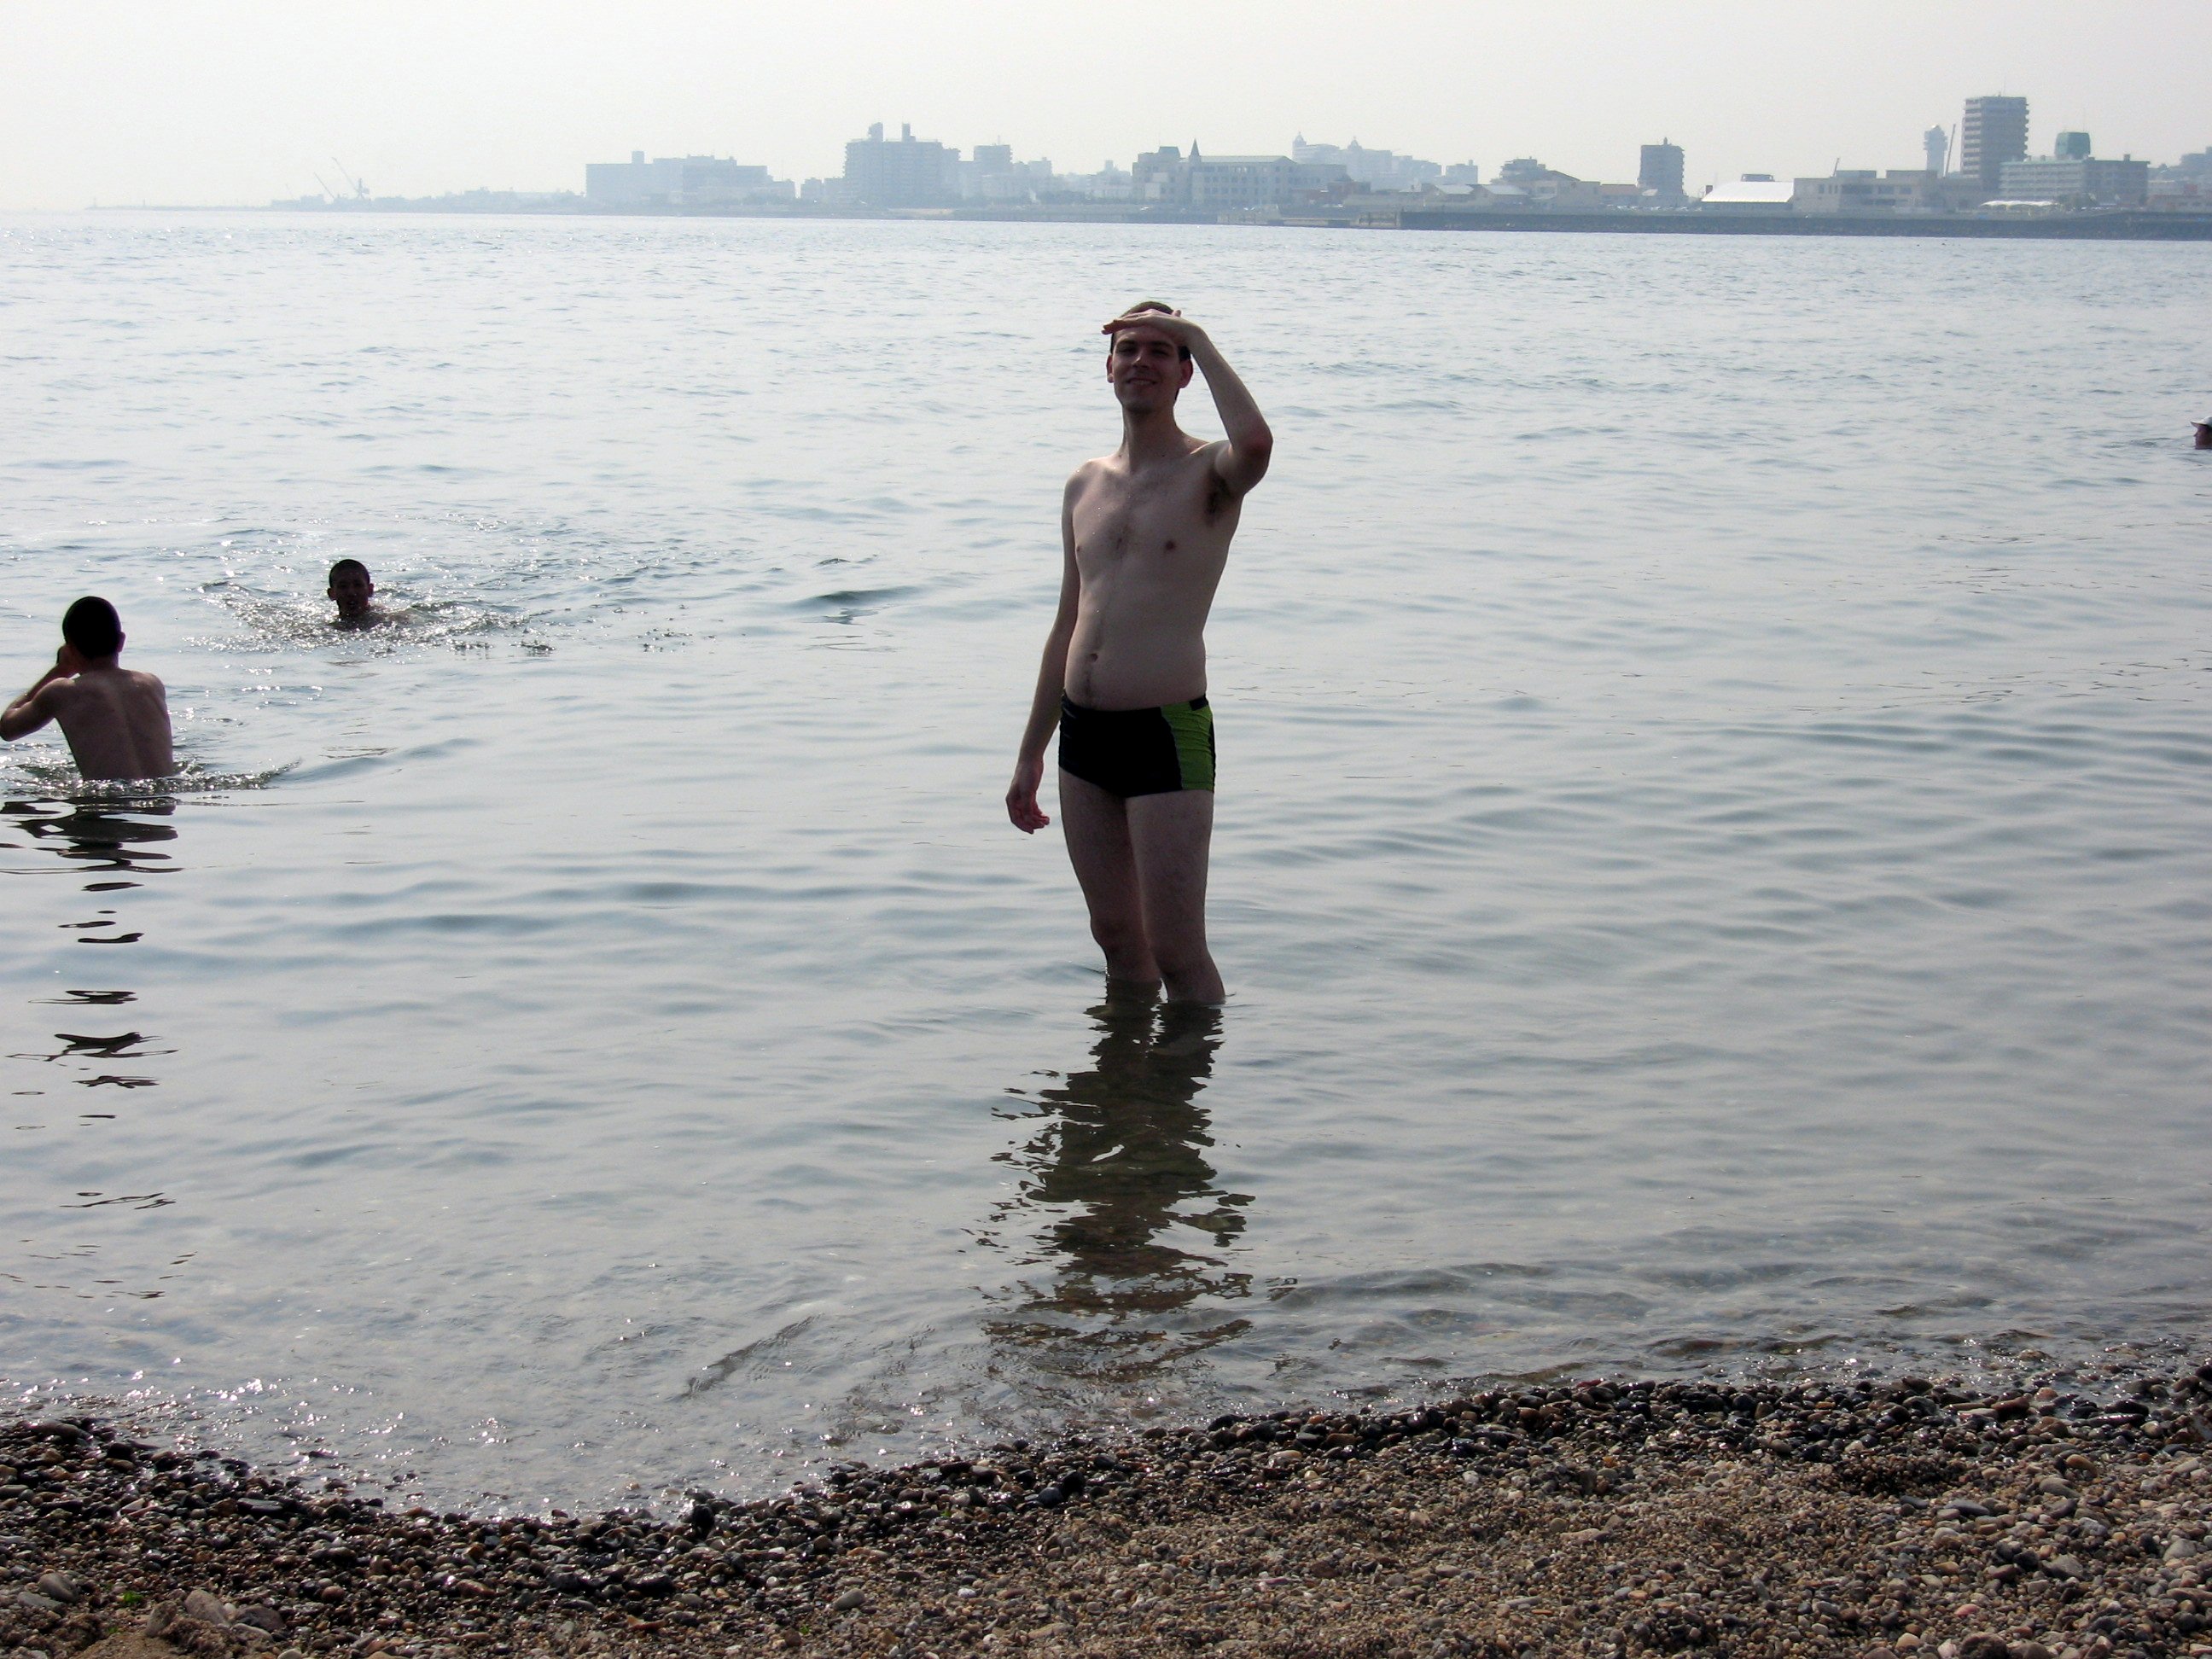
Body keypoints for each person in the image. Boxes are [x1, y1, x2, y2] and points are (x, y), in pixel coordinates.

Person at [1005, 302, 1272, 1004]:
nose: (1141, 362)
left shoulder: (1210, 473)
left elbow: (1256, 442)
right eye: (1128, 349)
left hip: (1166, 732)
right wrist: (1032, 751)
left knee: (1177, 950)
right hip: (1084, 735)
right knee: (1116, 937)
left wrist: (1198, 337)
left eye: (1161, 351)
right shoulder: (1084, 484)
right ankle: (1122, 1072)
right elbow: (1068, 621)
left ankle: (1189, 1076)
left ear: (1185, 374)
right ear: (1108, 368)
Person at [1, 597, 174, 782]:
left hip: (107, 798)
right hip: (164, 798)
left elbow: (7, 729)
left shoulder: (61, 692)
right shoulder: (151, 684)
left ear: (69, 650)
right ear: (121, 641)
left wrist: (59, 671)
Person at [327, 558, 378, 626]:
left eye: (358, 585)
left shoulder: (387, 620)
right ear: (331, 594)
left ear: (370, 590)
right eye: (343, 586)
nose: (351, 593)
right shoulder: (326, 628)